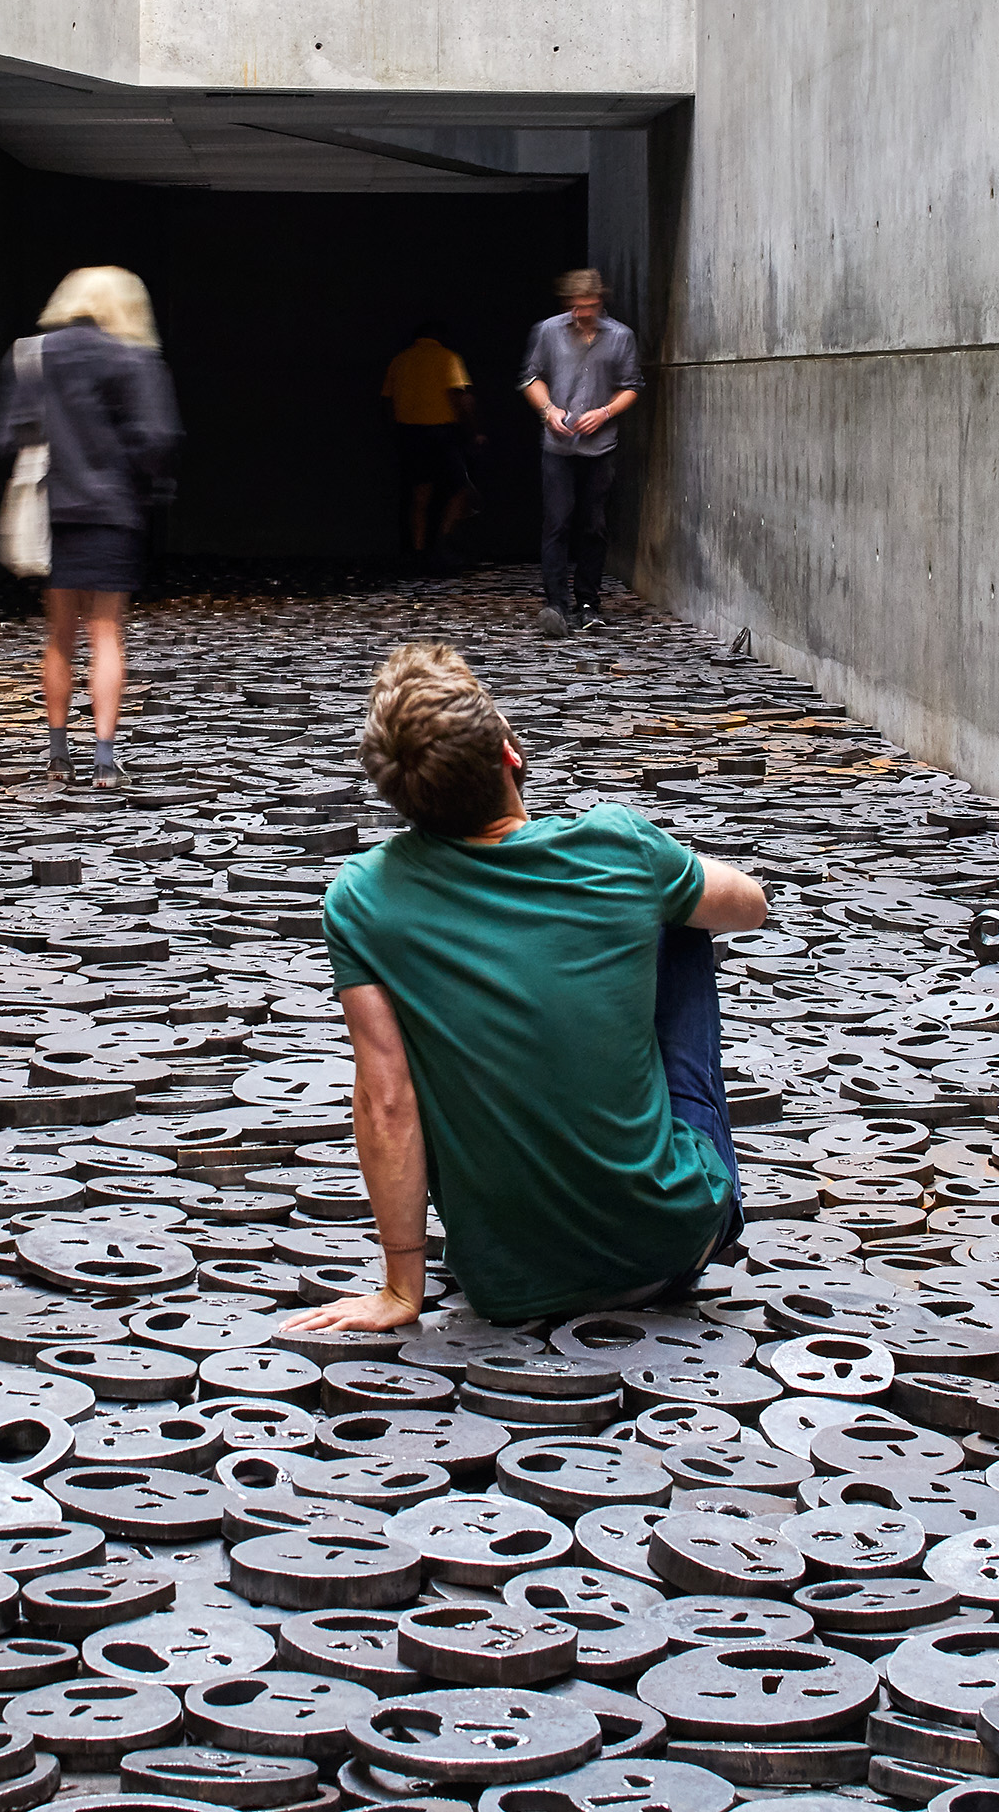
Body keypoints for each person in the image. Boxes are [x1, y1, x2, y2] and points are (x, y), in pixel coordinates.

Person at [283, 642, 763, 1332]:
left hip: (508, 1282)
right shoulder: (615, 843)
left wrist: (400, 1290)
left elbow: (385, 1100)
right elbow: (749, 907)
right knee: (682, 924)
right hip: (669, 1243)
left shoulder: (361, 899)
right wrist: (655, 877)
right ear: (509, 755)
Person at [0, 267, 182, 788]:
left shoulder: (31, 356)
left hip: (54, 510)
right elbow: (157, 439)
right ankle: (104, 758)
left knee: (59, 635)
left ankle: (56, 754)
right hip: (113, 512)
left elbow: (4, 441)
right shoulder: (134, 359)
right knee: (107, 634)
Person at [520, 266, 641, 635]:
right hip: (558, 445)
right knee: (557, 522)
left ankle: (588, 601)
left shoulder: (621, 337)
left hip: (600, 446)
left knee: (594, 525)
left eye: (588, 305)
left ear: (600, 301)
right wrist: (548, 410)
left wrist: (605, 412)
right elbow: (531, 377)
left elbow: (632, 386)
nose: (581, 312)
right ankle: (555, 603)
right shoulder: (548, 331)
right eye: (575, 306)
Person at [378, 319, 478, 568]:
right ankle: (442, 543)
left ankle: (418, 551)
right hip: (440, 432)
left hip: (408, 433)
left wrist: (396, 430)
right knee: (460, 489)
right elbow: (458, 395)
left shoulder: (400, 360)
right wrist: (472, 430)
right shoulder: (448, 358)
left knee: (419, 494)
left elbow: (388, 400)